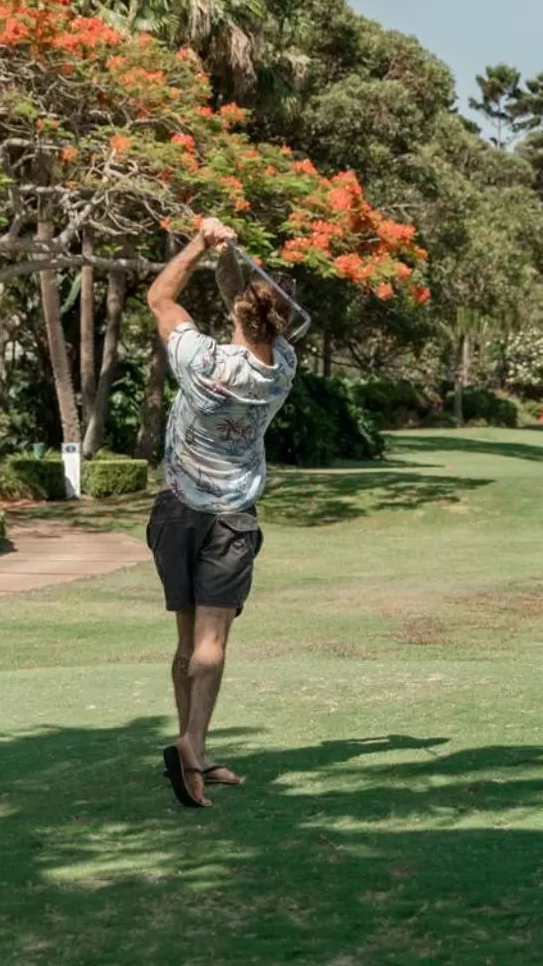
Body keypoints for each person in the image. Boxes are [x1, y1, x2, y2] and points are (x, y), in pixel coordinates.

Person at [145, 216, 298, 809]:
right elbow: (245, 301)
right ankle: (194, 750)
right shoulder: (280, 368)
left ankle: (191, 749)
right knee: (212, 643)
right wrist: (230, 253)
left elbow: (161, 296)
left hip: (179, 511)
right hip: (233, 516)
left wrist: (201, 242)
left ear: (238, 315)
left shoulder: (201, 361)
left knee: (187, 643)